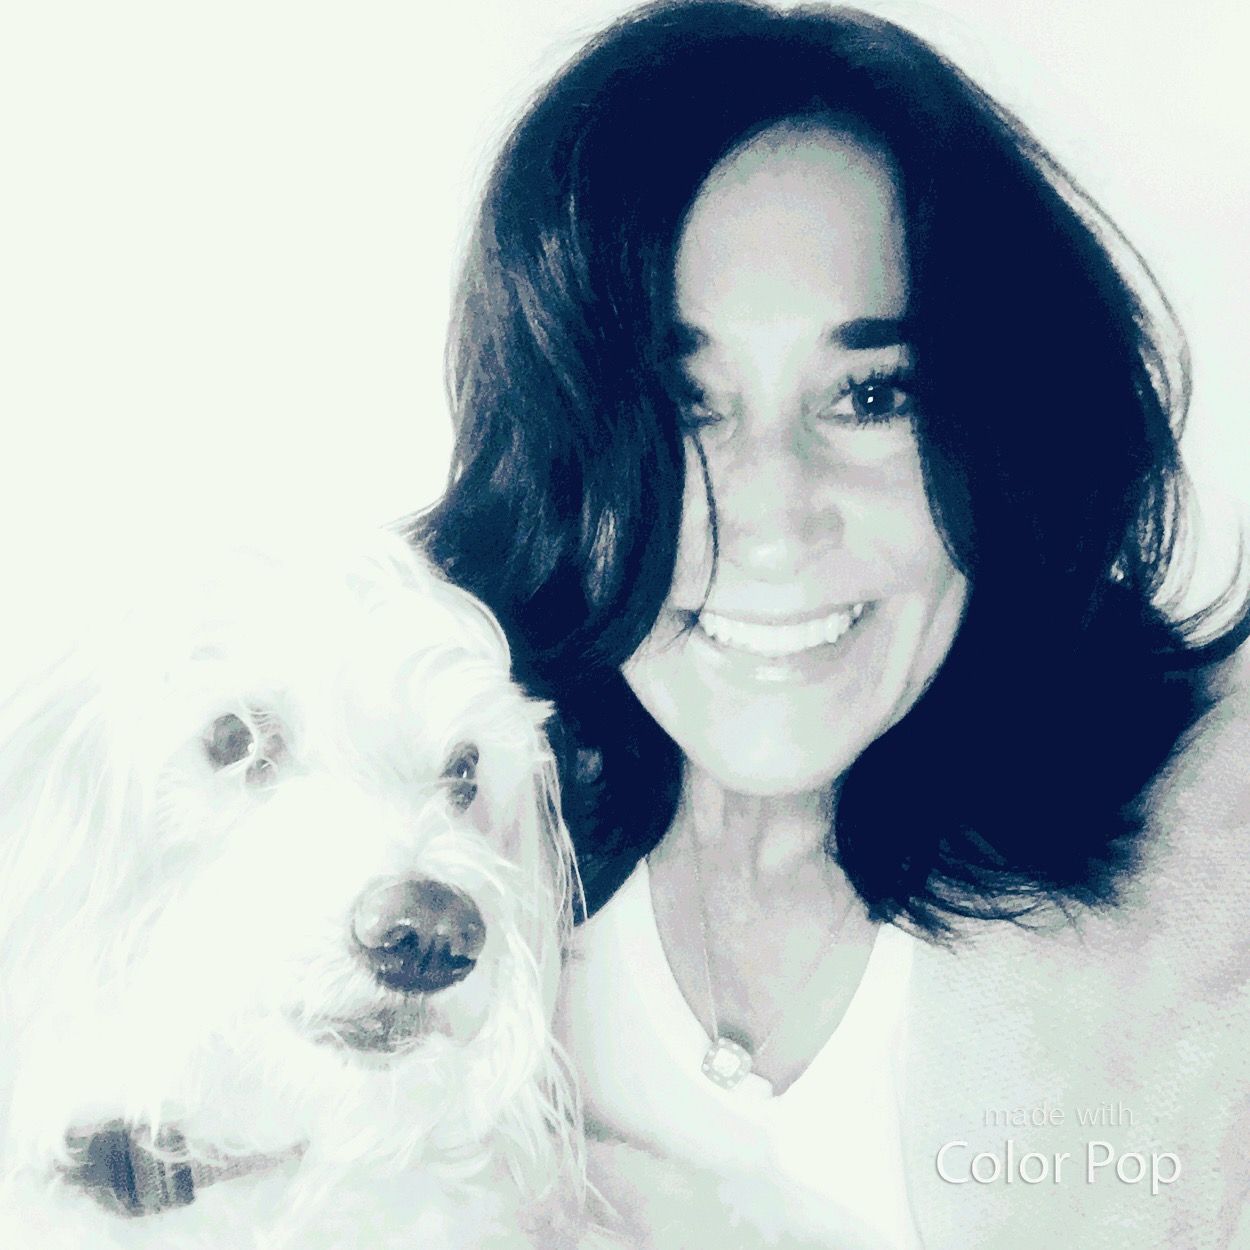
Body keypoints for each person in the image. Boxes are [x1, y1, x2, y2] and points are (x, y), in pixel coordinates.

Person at [410, 2, 1250, 1246]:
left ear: (1005, 430)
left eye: (870, 395)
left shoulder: (1214, 890)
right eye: (681, 404)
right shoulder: (444, 895)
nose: (770, 517)